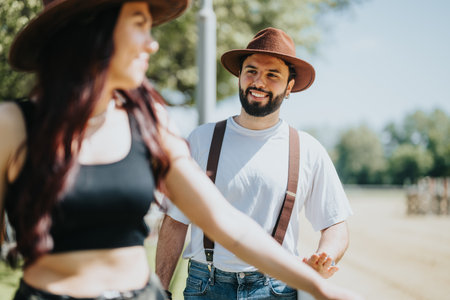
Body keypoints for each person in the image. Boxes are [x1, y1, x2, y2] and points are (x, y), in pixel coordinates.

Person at [0, 0, 362, 298]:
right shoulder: (12, 127)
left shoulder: (150, 122)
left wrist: (319, 287)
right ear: (90, 28)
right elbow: (176, 223)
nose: (152, 43)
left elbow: (227, 224)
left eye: (272, 75)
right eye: (139, 24)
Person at [156, 27, 353, 300]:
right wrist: (160, 290)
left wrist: (325, 257)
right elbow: (175, 223)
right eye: (251, 71)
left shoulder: (307, 149)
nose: (258, 82)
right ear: (239, 76)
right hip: (206, 285)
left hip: (277, 288)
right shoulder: (202, 140)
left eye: (272, 75)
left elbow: (335, 225)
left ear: (290, 87)